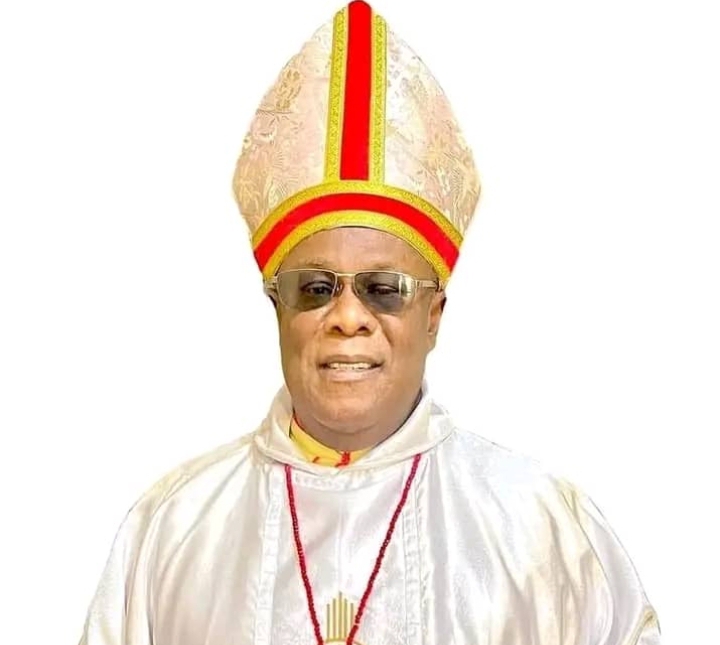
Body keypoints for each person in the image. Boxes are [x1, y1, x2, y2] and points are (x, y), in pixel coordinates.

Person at [78, 1, 661, 643]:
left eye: (384, 289)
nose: (348, 317)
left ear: (433, 316)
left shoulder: (542, 533)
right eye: (315, 288)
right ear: (278, 307)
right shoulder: (175, 528)